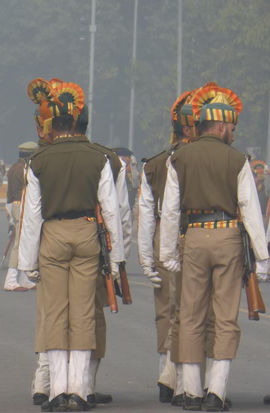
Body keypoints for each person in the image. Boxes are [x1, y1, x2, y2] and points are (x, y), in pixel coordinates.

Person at [160, 83, 269, 411]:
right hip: (228, 238)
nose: (233, 134)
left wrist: (167, 252)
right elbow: (250, 210)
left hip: (193, 236)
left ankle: (191, 390)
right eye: (231, 128)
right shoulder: (238, 160)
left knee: (191, 313)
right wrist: (262, 257)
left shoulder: (178, 158)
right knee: (225, 316)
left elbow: (170, 210)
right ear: (220, 126)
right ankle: (216, 391)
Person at [19, 78, 124, 411]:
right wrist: (118, 256)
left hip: (52, 235)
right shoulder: (99, 158)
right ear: (79, 121)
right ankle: (79, 391)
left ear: (53, 123)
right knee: (83, 314)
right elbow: (111, 209)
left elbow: (31, 216)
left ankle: (57, 391)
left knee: (55, 313)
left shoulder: (39, 161)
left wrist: (26, 263)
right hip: (87, 233)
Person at [138, 89, 195, 403]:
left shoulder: (156, 164)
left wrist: (146, 257)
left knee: (166, 307)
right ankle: (192, 378)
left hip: (165, 235)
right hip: (200, 231)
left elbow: (146, 214)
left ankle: (166, 372)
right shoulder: (210, 158)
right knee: (199, 308)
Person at [3, 141, 38, 291]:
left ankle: (24, 279)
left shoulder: (14, 168)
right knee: (19, 244)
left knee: (24, 242)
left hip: (15, 205)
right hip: (22, 205)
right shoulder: (24, 169)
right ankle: (10, 280)